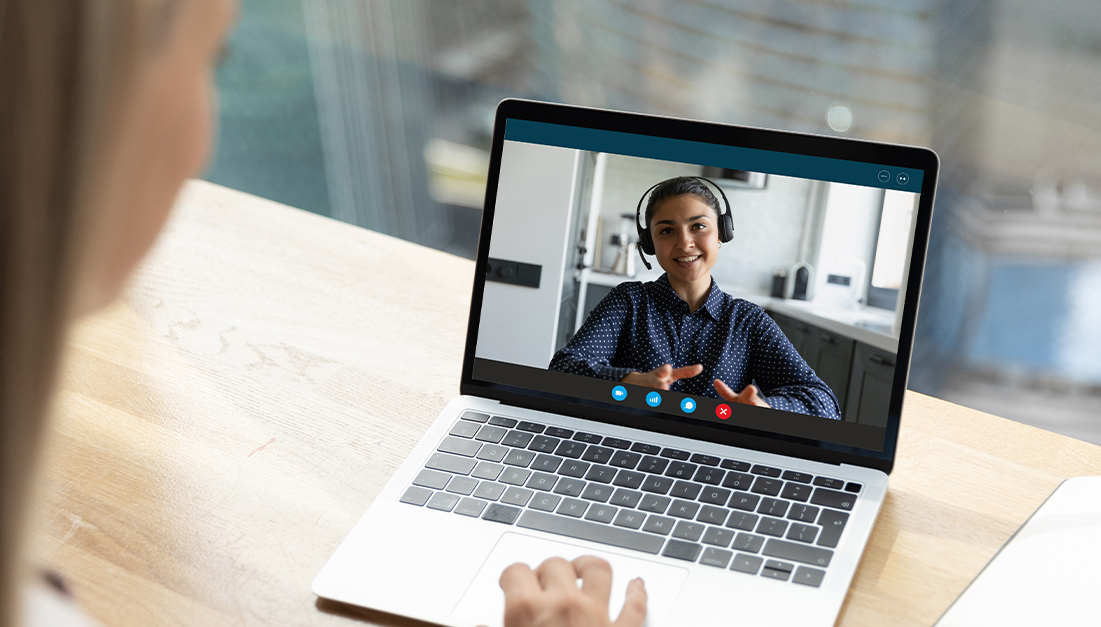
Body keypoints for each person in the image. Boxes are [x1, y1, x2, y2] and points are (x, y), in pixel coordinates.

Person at [0, 2, 641, 626]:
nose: (204, 144)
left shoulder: (743, 323)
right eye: (212, 60)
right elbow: (572, 361)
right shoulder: (622, 303)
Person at [550, 177, 841, 419]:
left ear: (721, 234)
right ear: (650, 244)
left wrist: (765, 408)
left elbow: (824, 404)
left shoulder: (748, 322)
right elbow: (562, 370)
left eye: (698, 226)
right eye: (666, 230)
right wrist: (628, 382)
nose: (684, 242)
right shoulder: (629, 301)